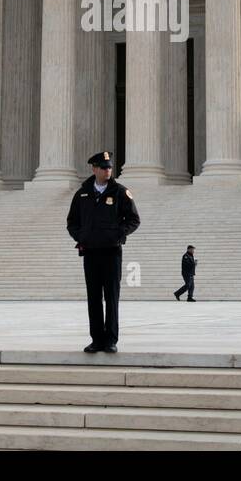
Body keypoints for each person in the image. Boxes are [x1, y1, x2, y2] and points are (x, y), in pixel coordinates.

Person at [66, 151, 140, 353]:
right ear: (94, 169)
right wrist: (80, 237)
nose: (108, 170)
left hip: (111, 252)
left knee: (112, 296)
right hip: (90, 252)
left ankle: (111, 340)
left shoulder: (119, 192)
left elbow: (134, 220)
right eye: (104, 167)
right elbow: (72, 221)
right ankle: (97, 339)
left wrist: (118, 234)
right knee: (93, 297)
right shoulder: (82, 193)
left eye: (109, 167)